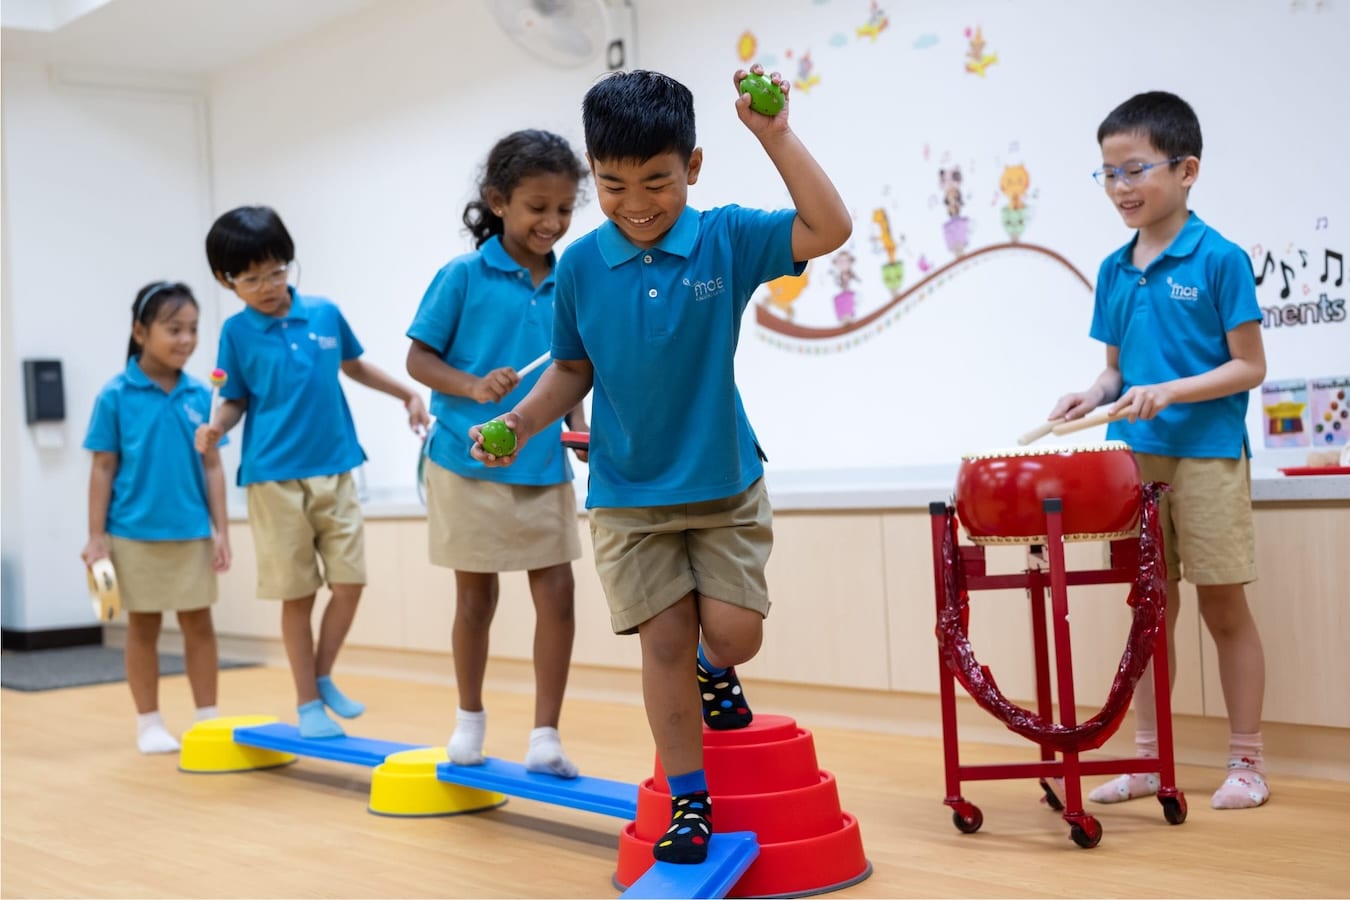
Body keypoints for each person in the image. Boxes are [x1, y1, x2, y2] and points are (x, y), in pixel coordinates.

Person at [472, 68, 852, 862]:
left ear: (694, 166)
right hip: (628, 494)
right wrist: (520, 422)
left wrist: (776, 135)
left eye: (657, 181)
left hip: (723, 481)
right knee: (665, 644)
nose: (637, 203)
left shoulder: (725, 238)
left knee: (735, 636)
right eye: (614, 186)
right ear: (593, 173)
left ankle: (720, 670)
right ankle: (690, 802)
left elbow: (828, 228)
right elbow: (571, 370)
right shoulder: (580, 266)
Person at [1048, 91, 1269, 810]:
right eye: (1108, 173)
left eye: (1135, 169)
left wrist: (1170, 391)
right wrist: (1090, 395)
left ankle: (1247, 762)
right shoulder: (1114, 269)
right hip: (1133, 461)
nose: (1120, 187)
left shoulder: (1221, 258)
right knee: (1149, 612)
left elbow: (1249, 367)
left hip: (1208, 454)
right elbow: (1115, 372)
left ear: (1186, 170)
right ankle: (1150, 759)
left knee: (1223, 608)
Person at [195, 206, 429, 739]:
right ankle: (307, 703)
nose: (267, 287)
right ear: (226, 281)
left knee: (349, 583)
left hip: (337, 466)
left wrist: (407, 394)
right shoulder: (236, 333)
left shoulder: (324, 313)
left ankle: (321, 677)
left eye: (276, 271)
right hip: (273, 478)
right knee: (297, 596)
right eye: (250, 279)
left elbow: (354, 365)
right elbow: (233, 401)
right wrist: (215, 429)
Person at [406, 129, 590, 776]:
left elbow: (574, 367)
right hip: (464, 461)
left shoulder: (573, 279)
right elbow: (418, 359)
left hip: (542, 463)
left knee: (559, 596)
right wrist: (473, 386)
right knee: (475, 601)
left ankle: (546, 736)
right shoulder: (462, 276)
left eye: (564, 208)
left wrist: (578, 425)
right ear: (498, 201)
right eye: (537, 207)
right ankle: (469, 721)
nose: (552, 222)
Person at [82, 281, 231, 754]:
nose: (186, 339)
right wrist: (95, 536)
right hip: (132, 533)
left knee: (199, 625)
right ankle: (149, 723)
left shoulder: (202, 396)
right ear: (140, 332)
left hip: (191, 531)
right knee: (142, 627)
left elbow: (213, 467)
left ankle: (207, 721)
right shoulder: (115, 395)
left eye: (193, 329)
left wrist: (222, 531)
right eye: (174, 329)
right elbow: (102, 468)